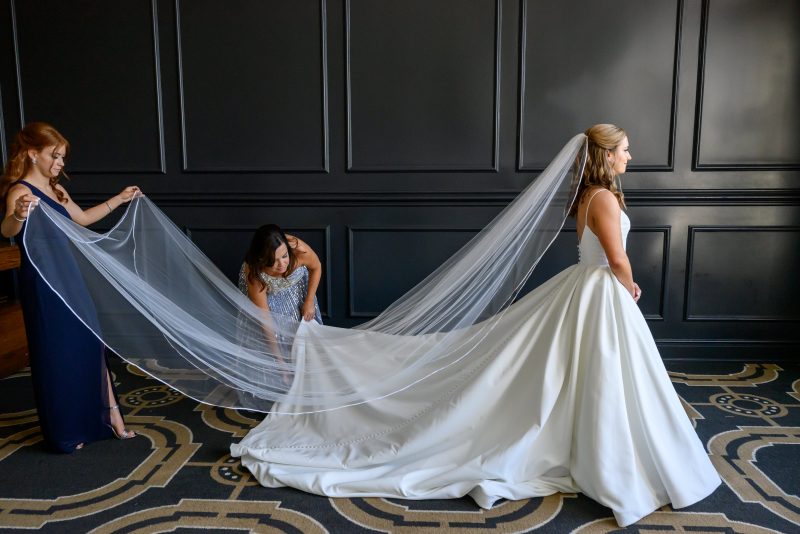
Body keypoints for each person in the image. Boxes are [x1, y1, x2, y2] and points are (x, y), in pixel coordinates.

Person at [229, 124, 721, 527]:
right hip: (600, 293)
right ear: (607, 155)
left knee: (587, 377)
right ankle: (608, 458)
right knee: (595, 378)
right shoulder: (606, 200)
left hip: (585, 292)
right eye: (626, 151)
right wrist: (632, 288)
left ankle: (595, 451)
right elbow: (616, 259)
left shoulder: (587, 196)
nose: (630, 158)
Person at [0, 122, 140, 452]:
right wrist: (19, 215)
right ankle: (66, 431)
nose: (61, 163)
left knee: (91, 345)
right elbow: (7, 227)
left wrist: (119, 199)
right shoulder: (20, 192)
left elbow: (82, 220)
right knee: (55, 354)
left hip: (70, 277)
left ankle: (111, 419)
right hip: (45, 283)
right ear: (33, 154)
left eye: (63, 157)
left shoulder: (56, 190)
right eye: (56, 156)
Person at [238, 224, 322, 325]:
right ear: (262, 259)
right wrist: (272, 341)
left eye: (284, 256)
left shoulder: (300, 251)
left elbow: (316, 267)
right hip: (265, 296)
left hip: (297, 291)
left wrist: (309, 301)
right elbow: (264, 317)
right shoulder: (255, 270)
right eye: (273, 261)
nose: (282, 265)